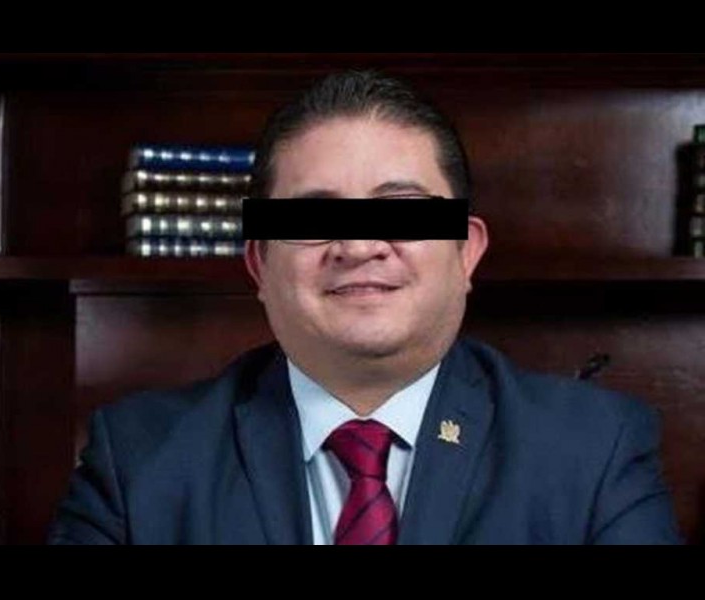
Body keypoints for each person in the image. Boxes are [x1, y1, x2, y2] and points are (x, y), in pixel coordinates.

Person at [48, 70, 681, 544]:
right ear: (259, 264)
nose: (357, 245)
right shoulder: (137, 460)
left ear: (466, 252)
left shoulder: (593, 450)